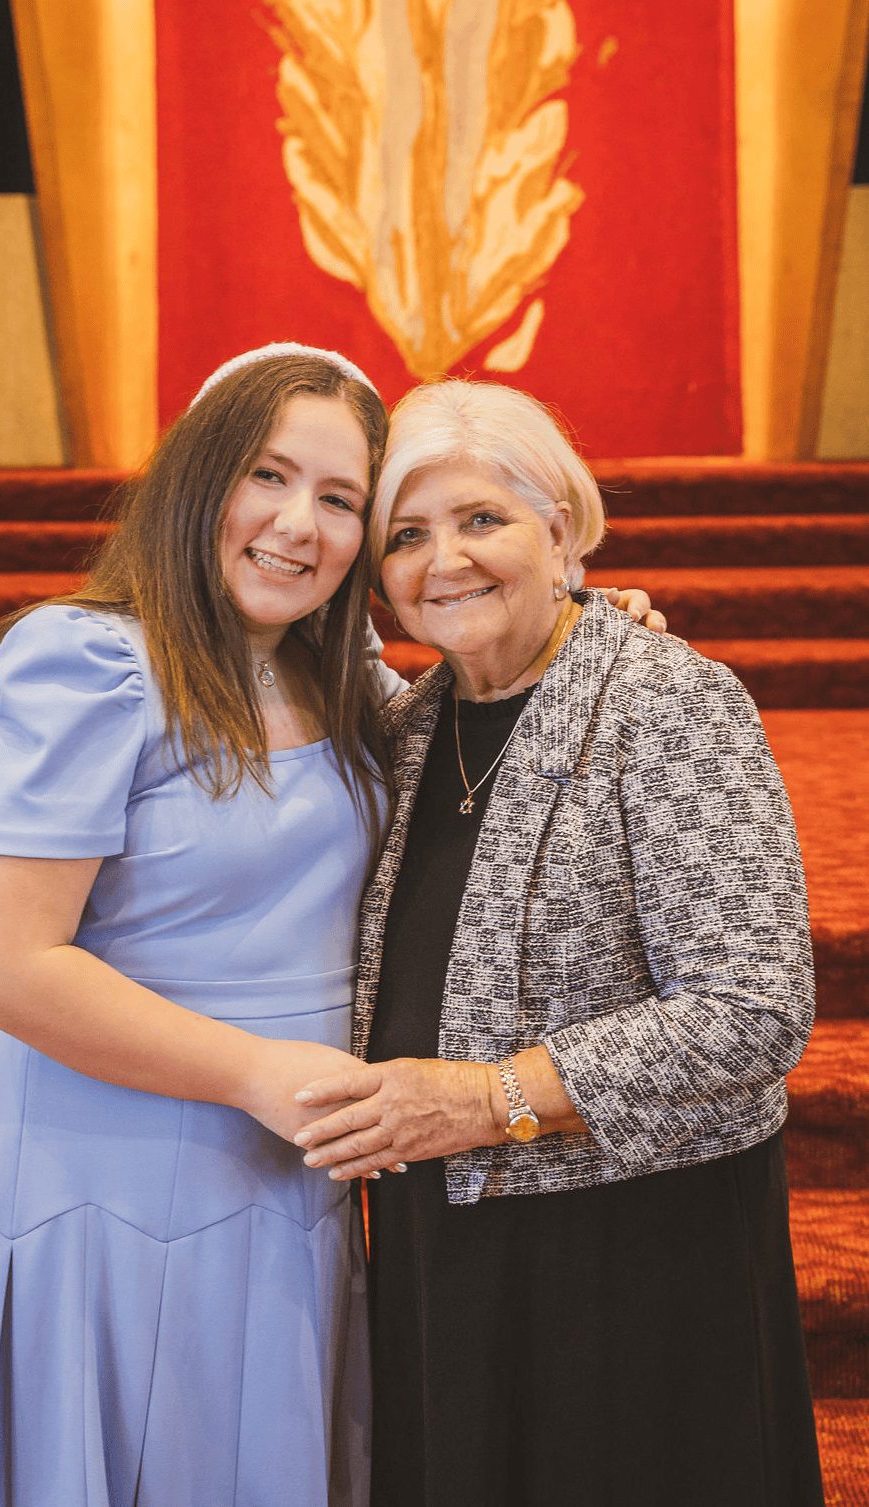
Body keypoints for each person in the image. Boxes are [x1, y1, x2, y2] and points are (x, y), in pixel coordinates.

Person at [0, 342, 660, 1507]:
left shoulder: (344, 672)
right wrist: (262, 1075)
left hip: (299, 1166)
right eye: (267, 476)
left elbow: (477, 723)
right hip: (119, 1167)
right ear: (197, 477)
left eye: (339, 499)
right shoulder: (97, 663)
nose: (296, 525)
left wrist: (579, 630)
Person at [293, 379, 825, 1507]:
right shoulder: (411, 718)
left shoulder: (671, 701)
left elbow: (754, 1005)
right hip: (450, 1238)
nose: (446, 561)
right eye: (407, 535)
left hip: (635, 1253)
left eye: (484, 519)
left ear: (562, 529)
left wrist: (489, 1099)